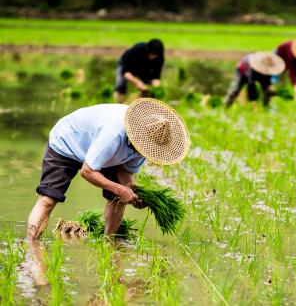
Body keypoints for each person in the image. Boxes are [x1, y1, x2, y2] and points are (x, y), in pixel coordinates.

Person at [26, 98, 191, 242]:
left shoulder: (147, 145)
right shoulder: (113, 132)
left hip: (104, 153)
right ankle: (31, 247)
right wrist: (120, 189)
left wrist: (132, 192)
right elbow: (88, 171)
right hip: (67, 142)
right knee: (48, 200)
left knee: (118, 199)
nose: (144, 152)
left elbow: (126, 173)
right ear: (136, 136)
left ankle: (108, 243)